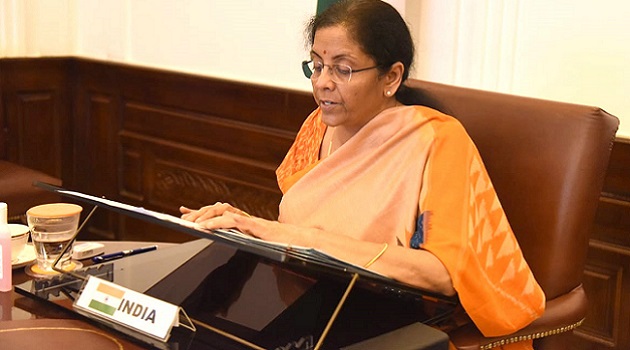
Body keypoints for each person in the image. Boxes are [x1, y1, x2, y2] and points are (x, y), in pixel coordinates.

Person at [181, 0, 545, 349]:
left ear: (391, 76)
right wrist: (246, 228)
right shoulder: (316, 127)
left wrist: (296, 237)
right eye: (317, 65)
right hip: (302, 304)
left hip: (386, 323)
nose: (323, 82)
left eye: (342, 69)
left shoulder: (436, 140)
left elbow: (440, 274)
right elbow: (296, 233)